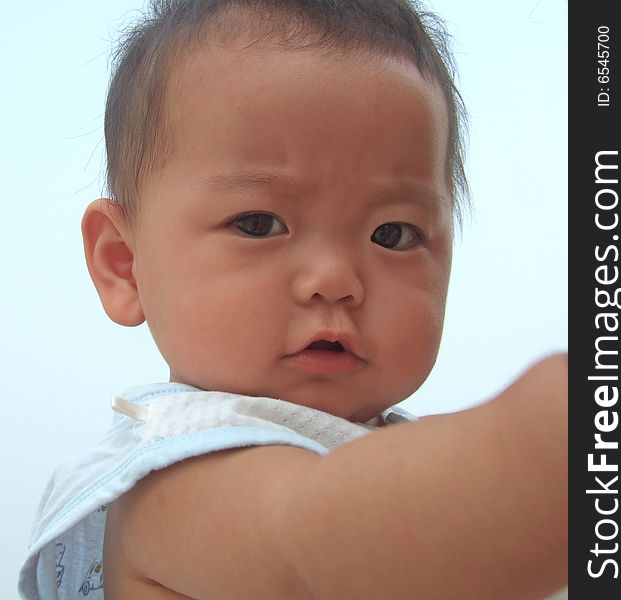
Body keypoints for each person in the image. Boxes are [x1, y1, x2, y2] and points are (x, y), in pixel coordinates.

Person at [19, 0, 567, 598]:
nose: (334, 279)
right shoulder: (173, 479)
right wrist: (547, 439)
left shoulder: (396, 453)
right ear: (124, 265)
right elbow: (319, 540)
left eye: (393, 234)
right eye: (258, 223)